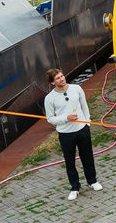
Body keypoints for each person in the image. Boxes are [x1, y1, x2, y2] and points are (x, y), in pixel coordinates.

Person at [44, 68, 103, 201]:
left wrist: (87, 122)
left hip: (82, 130)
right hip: (66, 134)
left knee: (87, 157)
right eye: (58, 78)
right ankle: (75, 187)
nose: (62, 79)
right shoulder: (49, 99)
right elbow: (50, 119)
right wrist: (66, 118)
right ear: (53, 82)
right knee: (69, 162)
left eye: (62, 76)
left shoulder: (76, 88)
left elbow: (84, 106)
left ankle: (92, 181)